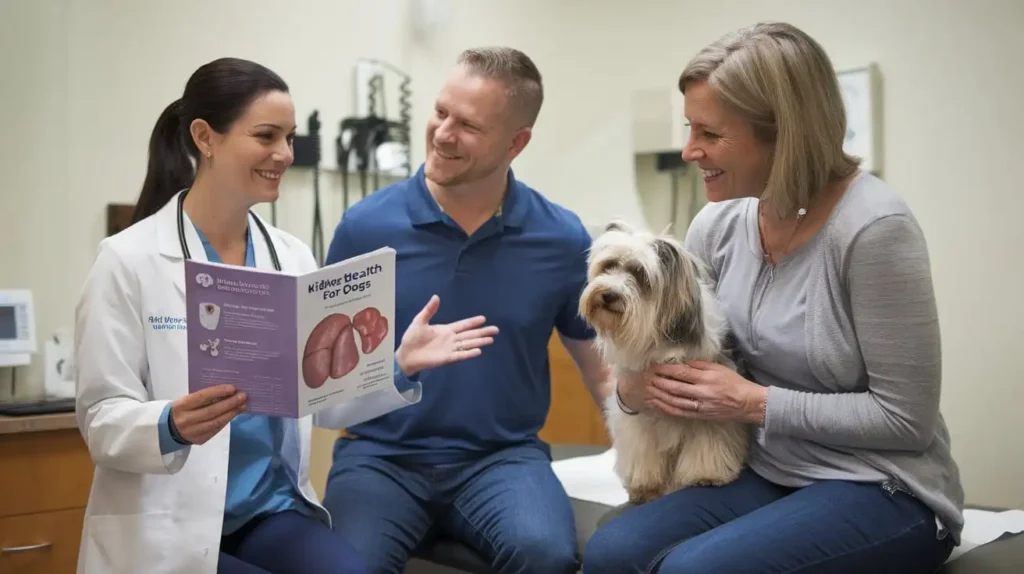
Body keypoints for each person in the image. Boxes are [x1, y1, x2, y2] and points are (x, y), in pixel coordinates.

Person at [73, 57, 498, 574]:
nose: (284, 155)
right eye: (266, 136)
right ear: (205, 137)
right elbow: (100, 420)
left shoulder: (291, 258)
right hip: (169, 521)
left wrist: (396, 365)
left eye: (290, 138)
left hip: (268, 511)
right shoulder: (128, 260)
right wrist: (170, 424)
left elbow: (319, 401)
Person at [582, 22, 965, 574]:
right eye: (689, 128)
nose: (690, 151)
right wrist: (635, 388)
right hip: (766, 468)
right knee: (611, 554)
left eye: (710, 134)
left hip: (880, 483)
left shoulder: (876, 230)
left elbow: (907, 420)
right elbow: (674, 358)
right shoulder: (715, 226)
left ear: (783, 134)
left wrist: (751, 402)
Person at [319, 47, 611, 574]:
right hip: (381, 459)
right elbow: (324, 396)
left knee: (546, 556)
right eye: (440, 111)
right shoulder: (364, 229)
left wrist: (653, 463)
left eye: (469, 125)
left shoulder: (562, 239)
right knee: (342, 566)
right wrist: (397, 367)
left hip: (502, 460)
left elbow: (604, 374)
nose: (442, 133)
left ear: (516, 142)